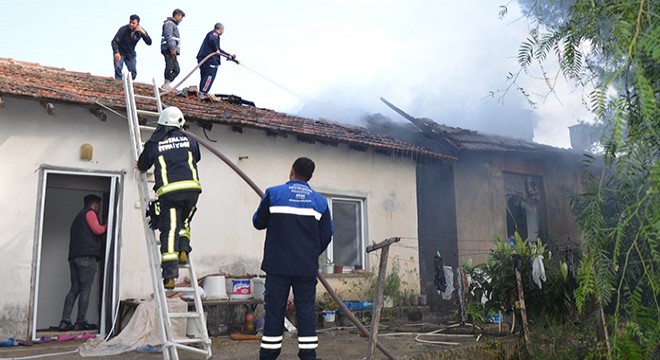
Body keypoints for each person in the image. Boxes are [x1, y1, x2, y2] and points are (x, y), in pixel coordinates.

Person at [252, 157, 333, 360]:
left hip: (277, 266)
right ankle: (308, 355)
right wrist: (311, 254)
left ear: (291, 171)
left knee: (274, 311)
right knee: (305, 311)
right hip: (305, 268)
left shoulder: (273, 193)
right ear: (311, 177)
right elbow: (327, 235)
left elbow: (258, 223)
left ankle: (269, 355)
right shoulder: (320, 202)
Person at [137, 106, 202, 289]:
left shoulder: (154, 142)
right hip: (192, 191)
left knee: (170, 229)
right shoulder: (190, 139)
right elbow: (196, 158)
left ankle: (170, 276)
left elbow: (143, 165)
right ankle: (183, 249)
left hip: (170, 194)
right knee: (185, 222)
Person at [57, 194, 107, 331]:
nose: (99, 208)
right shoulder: (89, 213)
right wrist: (109, 225)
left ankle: (65, 321)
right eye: (99, 206)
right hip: (86, 257)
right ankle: (80, 322)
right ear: (95, 204)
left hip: (74, 257)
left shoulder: (77, 218)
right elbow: (98, 230)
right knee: (85, 289)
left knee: (74, 288)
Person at [196, 23, 237, 94]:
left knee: (204, 76)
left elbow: (219, 50)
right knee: (209, 76)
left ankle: (201, 92)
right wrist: (216, 49)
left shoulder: (211, 35)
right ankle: (203, 93)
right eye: (223, 30)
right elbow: (214, 43)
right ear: (221, 29)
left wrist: (228, 55)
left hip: (203, 58)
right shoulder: (214, 34)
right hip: (209, 60)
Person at [111, 14, 152, 80]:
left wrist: (144, 33)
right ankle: (119, 83)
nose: (131, 24)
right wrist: (116, 52)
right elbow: (114, 41)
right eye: (130, 22)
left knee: (133, 72)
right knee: (118, 68)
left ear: (137, 23)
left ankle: (128, 83)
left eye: (133, 23)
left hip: (130, 53)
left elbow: (149, 42)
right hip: (120, 52)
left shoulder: (140, 31)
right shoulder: (123, 29)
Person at [160, 9, 185, 89]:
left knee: (176, 69)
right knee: (169, 65)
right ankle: (166, 83)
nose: (181, 19)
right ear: (177, 15)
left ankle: (168, 82)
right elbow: (168, 36)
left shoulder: (173, 25)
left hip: (172, 49)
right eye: (181, 17)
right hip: (168, 48)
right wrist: (172, 48)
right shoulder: (169, 24)